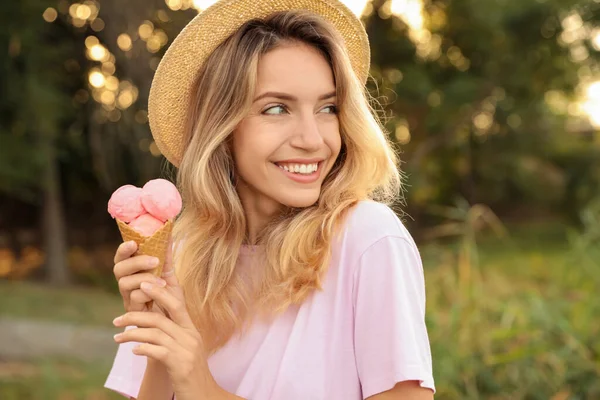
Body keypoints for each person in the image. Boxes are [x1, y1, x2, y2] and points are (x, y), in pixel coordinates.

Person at [104, 0, 436, 399]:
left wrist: (203, 386)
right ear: (221, 127)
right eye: (277, 108)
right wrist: (161, 336)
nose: (313, 139)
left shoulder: (368, 239)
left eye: (328, 108)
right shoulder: (182, 254)